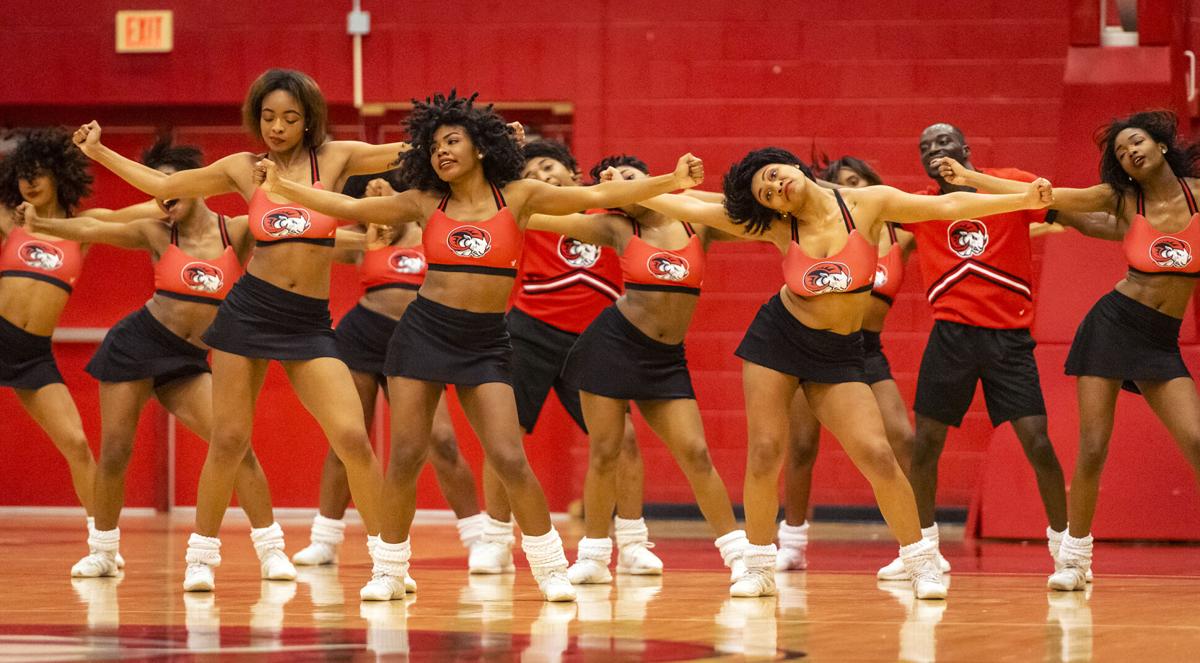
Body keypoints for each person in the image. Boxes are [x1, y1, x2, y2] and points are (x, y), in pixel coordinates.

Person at [256, 91, 706, 602]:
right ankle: (388, 569)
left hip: (486, 342)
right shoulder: (426, 201)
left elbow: (595, 199)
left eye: (453, 141)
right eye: (434, 145)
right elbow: (350, 205)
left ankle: (551, 569)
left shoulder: (518, 196)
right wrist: (284, 186)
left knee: (510, 457)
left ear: (482, 147)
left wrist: (673, 180)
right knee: (405, 454)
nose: (442, 151)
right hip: (422, 333)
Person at [639, 146, 1052, 598]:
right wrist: (652, 183)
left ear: (793, 166)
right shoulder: (779, 225)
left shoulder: (866, 204)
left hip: (839, 353)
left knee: (877, 454)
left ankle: (920, 561)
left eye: (775, 176)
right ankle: (758, 564)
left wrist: (1021, 201)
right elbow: (684, 204)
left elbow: (947, 205)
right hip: (778, 341)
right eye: (767, 193)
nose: (776, 188)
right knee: (765, 450)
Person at [74, 68, 408, 592]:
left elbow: (409, 150)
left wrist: (481, 132)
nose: (277, 127)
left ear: (308, 121)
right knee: (228, 440)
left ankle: (388, 566)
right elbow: (166, 186)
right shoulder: (243, 168)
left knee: (351, 437)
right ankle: (201, 560)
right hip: (249, 313)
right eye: (269, 116)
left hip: (308, 323)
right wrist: (99, 153)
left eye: (290, 118)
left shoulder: (337, 158)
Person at [937, 110, 1200, 591]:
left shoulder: (1197, 196)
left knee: (1197, 441)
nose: (1130, 153)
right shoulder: (1123, 198)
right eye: (1120, 152)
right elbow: (1047, 196)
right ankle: (1075, 559)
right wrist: (970, 178)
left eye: (1136, 142)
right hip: (1113, 326)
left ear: (1161, 145)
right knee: (1093, 448)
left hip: (1160, 340)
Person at [16, 136, 299, 581]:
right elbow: (94, 229)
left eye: (172, 187)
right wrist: (41, 225)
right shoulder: (154, 231)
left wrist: (356, 234)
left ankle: (272, 550)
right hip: (138, 343)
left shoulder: (236, 230)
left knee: (234, 444)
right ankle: (103, 551)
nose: (164, 199)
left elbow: (297, 230)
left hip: (187, 358)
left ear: (197, 185)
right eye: (157, 192)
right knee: (115, 450)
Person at [522, 153, 749, 586]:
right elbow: (536, 214)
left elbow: (745, 215)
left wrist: (678, 187)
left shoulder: (696, 223)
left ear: (651, 180)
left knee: (696, 454)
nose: (626, 185)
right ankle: (593, 556)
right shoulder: (616, 227)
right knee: (606, 452)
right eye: (618, 184)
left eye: (633, 177)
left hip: (665, 359)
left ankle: (739, 557)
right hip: (610, 347)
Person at [875, 123, 1069, 583]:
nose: (934, 150)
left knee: (1037, 442)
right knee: (925, 447)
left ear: (965, 148)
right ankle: (923, 552)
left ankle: (1069, 552)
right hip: (951, 337)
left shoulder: (1009, 183)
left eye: (943, 142)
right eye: (924, 147)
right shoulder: (920, 206)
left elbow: (1047, 203)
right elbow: (856, 202)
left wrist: (972, 179)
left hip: (1009, 339)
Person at [467, 140, 660, 577]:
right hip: (529, 333)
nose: (543, 175)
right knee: (503, 436)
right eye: (532, 170)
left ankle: (632, 543)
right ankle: (495, 539)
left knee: (623, 440)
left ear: (575, 173)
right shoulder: (523, 211)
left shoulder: (609, 212)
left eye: (550, 165)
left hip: (596, 340)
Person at [292, 173, 485, 575]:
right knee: (348, 439)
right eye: (366, 192)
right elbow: (303, 241)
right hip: (363, 336)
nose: (375, 193)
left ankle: (478, 538)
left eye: (383, 186)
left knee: (442, 440)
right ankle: (325, 539)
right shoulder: (363, 241)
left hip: (418, 341)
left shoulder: (435, 228)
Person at [0, 127, 150, 564]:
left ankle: (102, 545)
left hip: (33, 353)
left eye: (39, 173)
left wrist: (177, 193)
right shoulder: (10, 220)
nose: (30, 182)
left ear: (59, 176)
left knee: (77, 445)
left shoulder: (80, 228)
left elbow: (141, 211)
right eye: (23, 173)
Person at [776, 156, 915, 571]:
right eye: (841, 184)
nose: (849, 189)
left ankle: (918, 544)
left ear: (872, 182)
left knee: (902, 440)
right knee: (801, 446)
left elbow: (954, 224)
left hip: (866, 349)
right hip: (812, 341)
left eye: (856, 181)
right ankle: (793, 544)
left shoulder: (902, 234)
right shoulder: (828, 227)